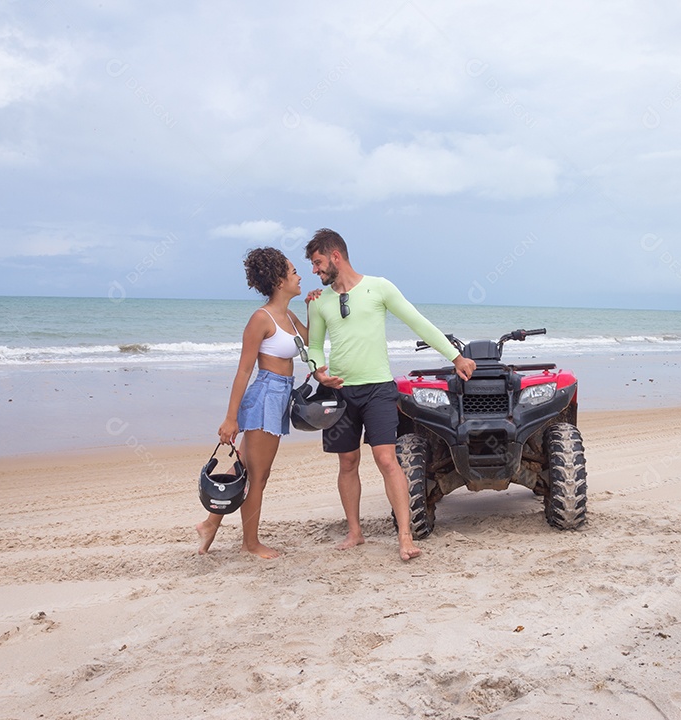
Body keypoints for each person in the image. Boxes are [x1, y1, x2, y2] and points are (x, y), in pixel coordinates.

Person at [304, 229, 476, 561]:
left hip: (379, 389)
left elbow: (417, 322)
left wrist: (455, 357)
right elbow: (314, 346)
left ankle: (405, 536)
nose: (315, 270)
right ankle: (355, 533)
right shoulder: (318, 302)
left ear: (335, 256)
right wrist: (318, 370)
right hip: (340, 394)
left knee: (386, 459)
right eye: (313, 265)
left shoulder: (379, 287)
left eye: (318, 262)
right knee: (348, 461)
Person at [195, 247, 308, 558]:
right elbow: (244, 370)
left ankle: (209, 525)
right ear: (278, 279)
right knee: (259, 475)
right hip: (266, 396)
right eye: (293, 270)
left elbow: (312, 341)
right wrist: (230, 418)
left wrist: (317, 306)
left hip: (281, 394)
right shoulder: (262, 318)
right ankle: (250, 544)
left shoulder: (290, 317)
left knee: (246, 467)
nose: (300, 276)